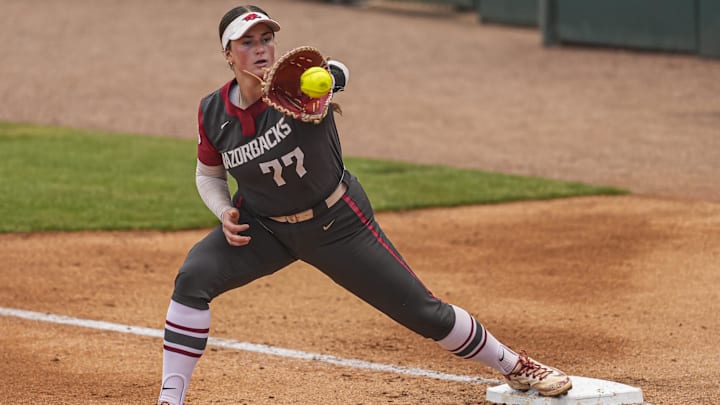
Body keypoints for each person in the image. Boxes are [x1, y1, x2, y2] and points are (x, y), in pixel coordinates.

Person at [156, 5, 573, 404]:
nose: (261, 48)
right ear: (227, 55)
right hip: (263, 227)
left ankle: (516, 365)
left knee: (426, 313)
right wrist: (224, 209)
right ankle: (169, 399)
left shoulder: (300, 86)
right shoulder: (213, 111)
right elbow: (208, 173)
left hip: (336, 225)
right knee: (193, 277)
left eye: (266, 38)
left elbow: (337, 72)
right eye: (247, 42)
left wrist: (329, 79)